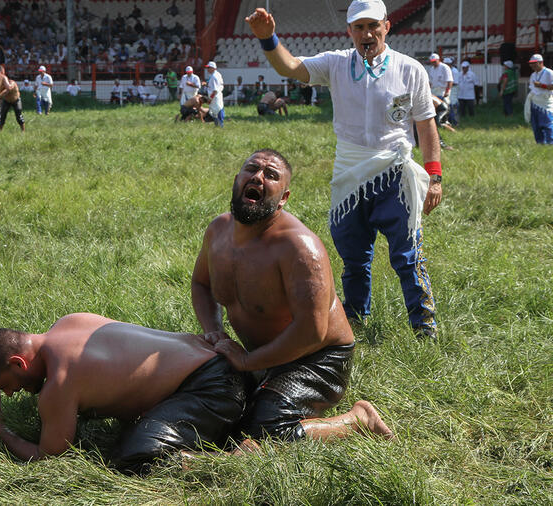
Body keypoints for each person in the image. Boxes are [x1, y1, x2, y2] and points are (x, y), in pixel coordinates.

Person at [246, 1, 443, 338]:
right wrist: (268, 38)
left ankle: (425, 328)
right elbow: (290, 67)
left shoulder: (410, 69)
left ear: (387, 26)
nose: (367, 34)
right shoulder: (336, 64)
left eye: (372, 26)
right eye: (359, 27)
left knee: (408, 255)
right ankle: (354, 324)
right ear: (349, 31)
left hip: (395, 173)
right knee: (354, 259)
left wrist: (434, 177)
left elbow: (426, 126)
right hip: (350, 177)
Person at [192, 149, 393, 445]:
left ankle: (359, 420)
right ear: (237, 181)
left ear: (283, 198)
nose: (258, 177)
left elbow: (313, 331)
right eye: (251, 170)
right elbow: (201, 284)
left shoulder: (299, 247)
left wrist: (248, 361)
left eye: (271, 175)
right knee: (214, 407)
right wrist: (213, 331)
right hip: (263, 356)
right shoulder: (217, 231)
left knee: (267, 430)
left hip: (319, 358)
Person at [0, 312, 246, 475]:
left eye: (5, 385)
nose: (8, 394)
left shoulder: (60, 383)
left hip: (214, 390)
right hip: (219, 360)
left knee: (131, 457)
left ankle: (231, 459)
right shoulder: (70, 322)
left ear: (20, 363)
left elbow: (48, 456)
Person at [525, 53, 553, 145]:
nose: (532, 65)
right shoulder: (533, 75)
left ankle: (550, 143)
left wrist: (542, 86)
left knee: (547, 123)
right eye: (531, 63)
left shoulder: (549, 72)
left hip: (545, 101)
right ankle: (540, 143)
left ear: (541, 62)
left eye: (534, 63)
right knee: (536, 124)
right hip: (535, 101)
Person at [205, 61, 225, 127]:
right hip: (217, 96)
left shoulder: (214, 77)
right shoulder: (217, 74)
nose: (207, 69)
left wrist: (210, 99)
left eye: (209, 68)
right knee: (217, 109)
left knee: (217, 110)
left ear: (213, 68)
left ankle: (220, 125)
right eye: (207, 68)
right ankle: (218, 125)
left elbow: (215, 90)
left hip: (215, 97)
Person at [443, 56, 460, 125]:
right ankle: (449, 121)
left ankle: (455, 122)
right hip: (447, 89)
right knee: (447, 105)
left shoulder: (454, 71)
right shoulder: (445, 70)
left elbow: (455, 82)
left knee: (453, 105)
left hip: (453, 89)